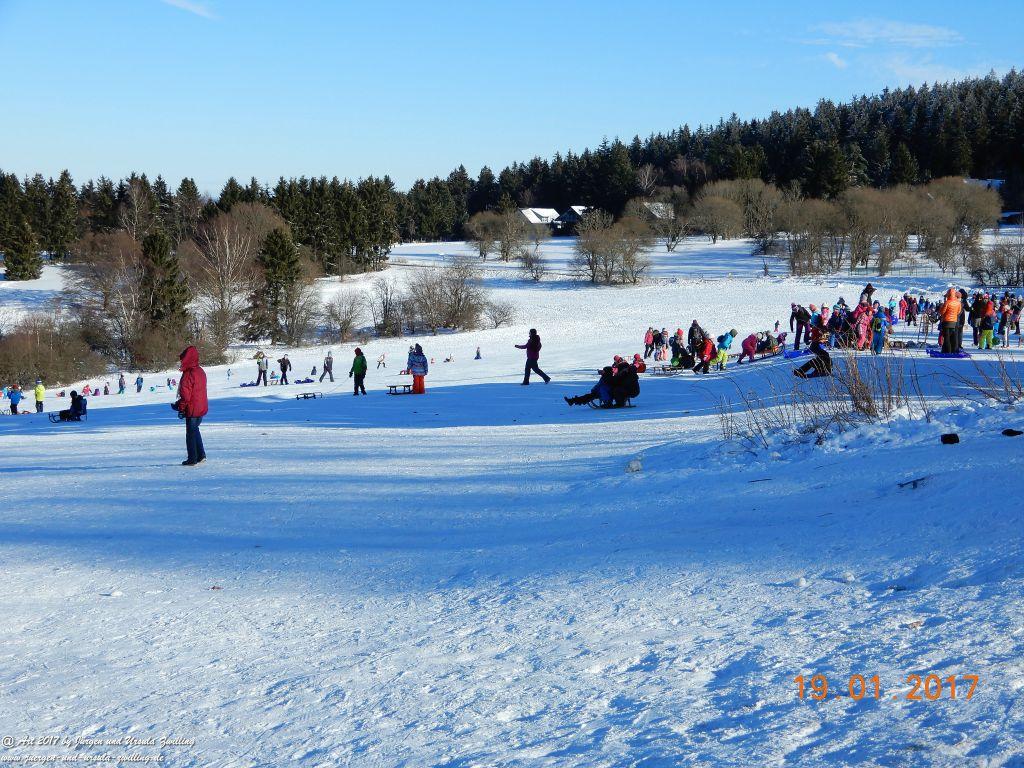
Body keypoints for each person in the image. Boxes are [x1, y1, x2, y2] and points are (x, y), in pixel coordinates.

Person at [173, 345, 208, 466]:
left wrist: (180, 408)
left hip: (192, 408)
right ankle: (201, 455)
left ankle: (192, 458)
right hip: (201, 407)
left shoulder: (188, 374)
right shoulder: (200, 371)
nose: (181, 362)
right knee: (195, 430)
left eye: (182, 360)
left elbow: (186, 395)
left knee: (190, 433)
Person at [939, 287, 962, 354]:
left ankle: (947, 351)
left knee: (946, 337)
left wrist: (941, 308)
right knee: (952, 337)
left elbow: (942, 312)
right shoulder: (958, 303)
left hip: (946, 321)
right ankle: (953, 350)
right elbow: (958, 312)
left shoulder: (947, 302)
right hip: (954, 321)